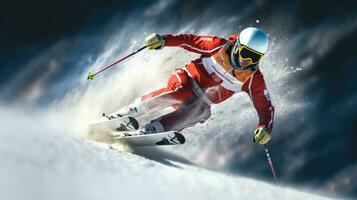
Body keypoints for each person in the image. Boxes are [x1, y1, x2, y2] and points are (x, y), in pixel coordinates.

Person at [110, 27, 274, 145]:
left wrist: (264, 128)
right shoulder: (218, 46)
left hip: (200, 101)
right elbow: (189, 40)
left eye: (255, 57)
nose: (248, 61)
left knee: (202, 112)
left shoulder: (253, 79)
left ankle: (154, 129)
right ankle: (131, 111)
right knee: (182, 91)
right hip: (186, 79)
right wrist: (164, 40)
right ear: (237, 46)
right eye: (246, 53)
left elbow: (265, 107)